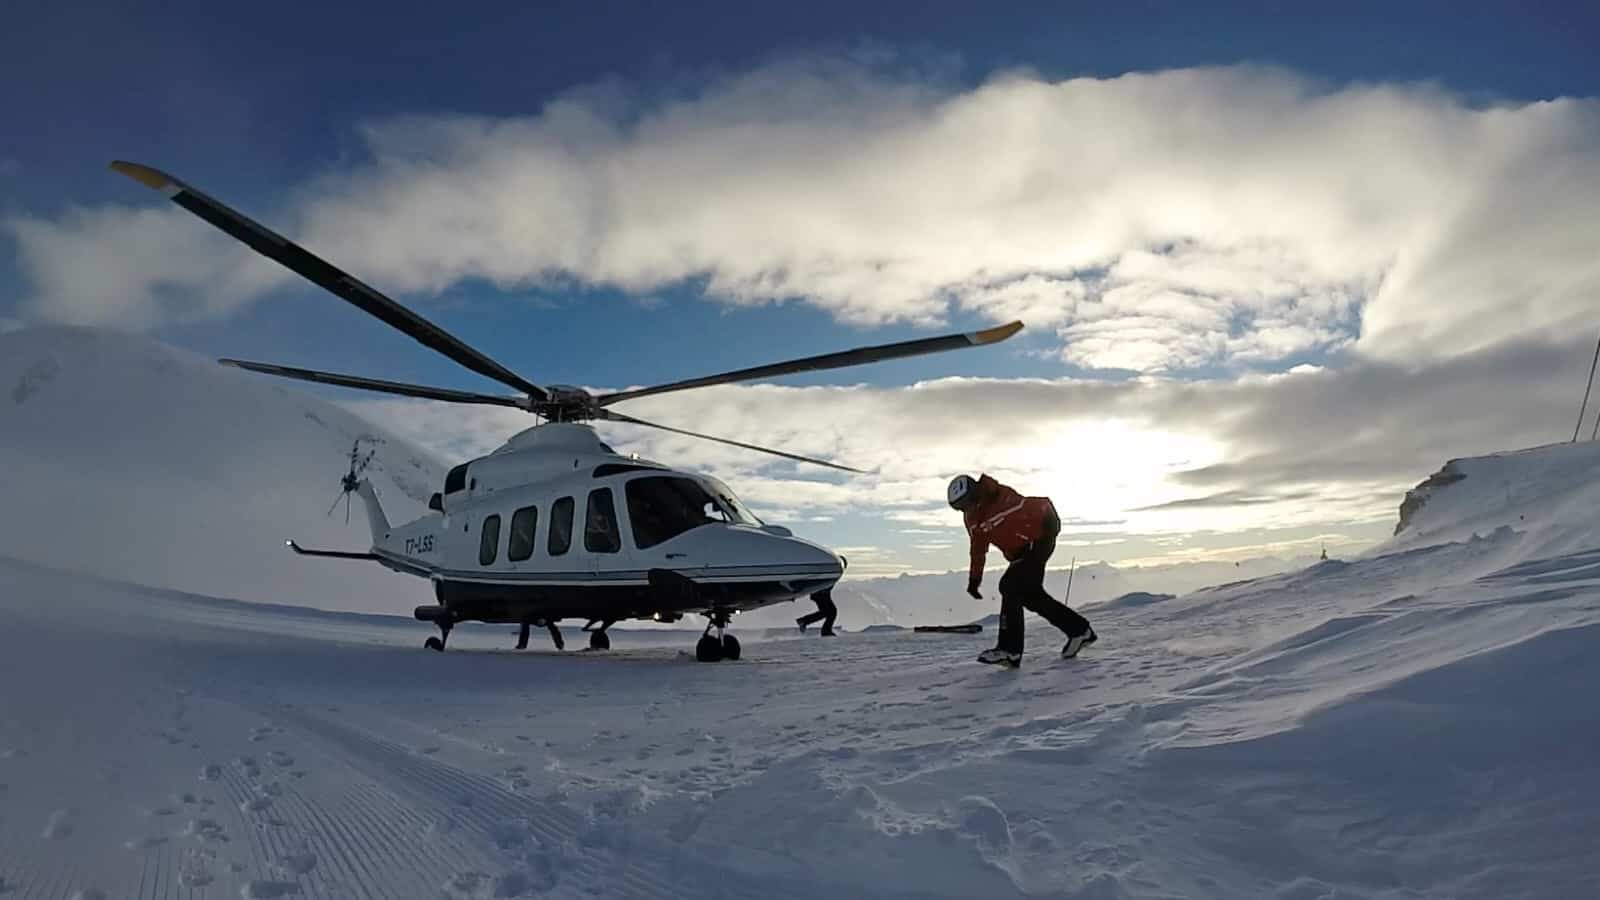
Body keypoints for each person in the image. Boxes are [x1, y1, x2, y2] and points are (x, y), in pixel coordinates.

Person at [948, 473, 1095, 668]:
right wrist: (975, 580)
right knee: (1030, 596)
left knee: (1009, 586)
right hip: (1020, 551)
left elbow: (1032, 507)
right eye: (959, 507)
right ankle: (1080, 631)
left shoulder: (999, 495)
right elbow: (977, 549)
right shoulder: (972, 518)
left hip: (1041, 533)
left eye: (966, 502)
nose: (964, 509)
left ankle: (1010, 650)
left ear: (975, 492)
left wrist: (1048, 527)